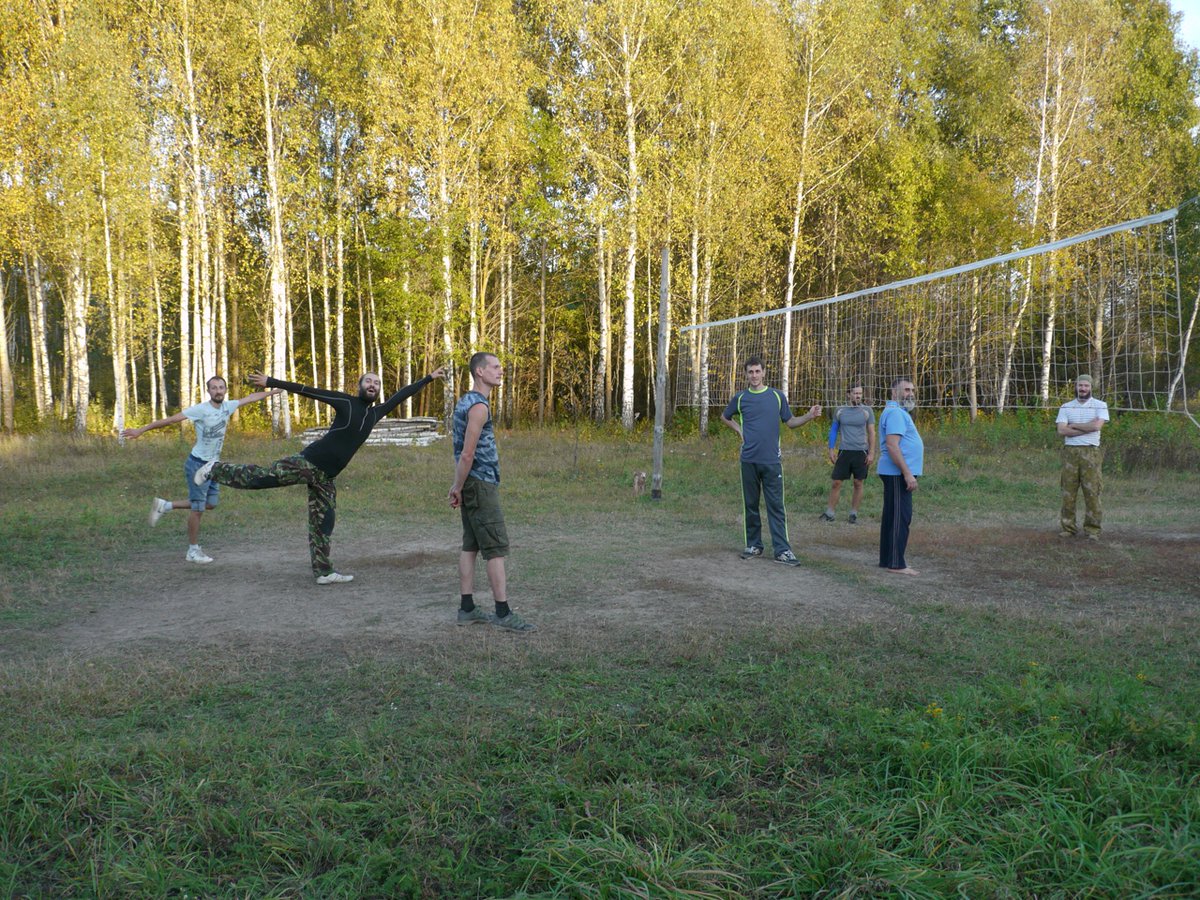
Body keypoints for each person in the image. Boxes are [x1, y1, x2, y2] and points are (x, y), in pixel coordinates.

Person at [193, 368, 445, 584]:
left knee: (324, 521)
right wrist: (272, 382)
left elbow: (403, 394)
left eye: (377, 383)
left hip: (325, 476)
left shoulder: (375, 414)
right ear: (359, 386)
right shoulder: (346, 402)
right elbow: (308, 390)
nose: (372, 385)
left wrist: (429, 378)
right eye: (368, 381)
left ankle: (323, 571)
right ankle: (215, 469)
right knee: (262, 477)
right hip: (308, 463)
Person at [121, 376, 280, 564]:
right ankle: (193, 551)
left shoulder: (228, 406)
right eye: (214, 388)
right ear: (209, 391)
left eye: (221, 387)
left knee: (210, 503)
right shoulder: (200, 410)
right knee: (197, 509)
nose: (218, 391)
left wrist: (273, 390)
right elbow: (171, 420)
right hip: (197, 465)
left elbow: (251, 398)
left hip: (213, 466)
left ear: (225, 390)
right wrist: (142, 430)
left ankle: (165, 506)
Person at [449, 352, 535, 631]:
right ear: (479, 372)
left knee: (471, 545)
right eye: (495, 367)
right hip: (480, 484)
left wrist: (460, 486)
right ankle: (503, 613)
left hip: (472, 484)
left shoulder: (467, 401)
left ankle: (467, 608)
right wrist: (458, 486)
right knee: (495, 548)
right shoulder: (478, 407)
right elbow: (467, 453)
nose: (500, 371)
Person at [721, 355, 821, 566]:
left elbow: (791, 422)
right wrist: (739, 430)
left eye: (758, 371)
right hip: (748, 460)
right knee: (750, 505)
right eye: (750, 372)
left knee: (775, 505)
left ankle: (782, 550)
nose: (754, 375)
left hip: (771, 461)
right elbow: (725, 416)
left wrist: (809, 416)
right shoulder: (740, 398)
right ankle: (754, 545)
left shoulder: (777, 396)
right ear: (746, 374)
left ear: (764, 373)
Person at [878, 377, 924, 575]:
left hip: (894, 473)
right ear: (893, 392)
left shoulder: (898, 412)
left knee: (891, 516)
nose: (910, 393)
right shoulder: (896, 412)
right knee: (900, 517)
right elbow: (892, 445)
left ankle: (887, 559)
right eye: (906, 390)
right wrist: (907, 474)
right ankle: (896, 564)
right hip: (897, 474)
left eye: (912, 390)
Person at [1055, 374, 1109, 540]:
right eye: (1080, 385)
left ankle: (1092, 530)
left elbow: (1096, 426)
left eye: (1086, 386)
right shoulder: (1066, 407)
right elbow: (1061, 430)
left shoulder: (1100, 405)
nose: (1083, 389)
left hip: (1091, 452)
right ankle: (1069, 528)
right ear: (1076, 386)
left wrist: (1075, 426)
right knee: (1068, 492)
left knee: (1092, 491)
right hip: (1070, 453)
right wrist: (1087, 427)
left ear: (1091, 387)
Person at [820, 384, 876, 524]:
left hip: (861, 451)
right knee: (836, 482)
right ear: (848, 394)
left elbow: (871, 433)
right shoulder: (840, 410)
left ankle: (853, 514)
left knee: (858, 483)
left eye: (860, 393)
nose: (858, 396)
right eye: (855, 393)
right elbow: (833, 431)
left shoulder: (867, 410)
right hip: (844, 451)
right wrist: (831, 449)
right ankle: (830, 513)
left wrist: (871, 453)